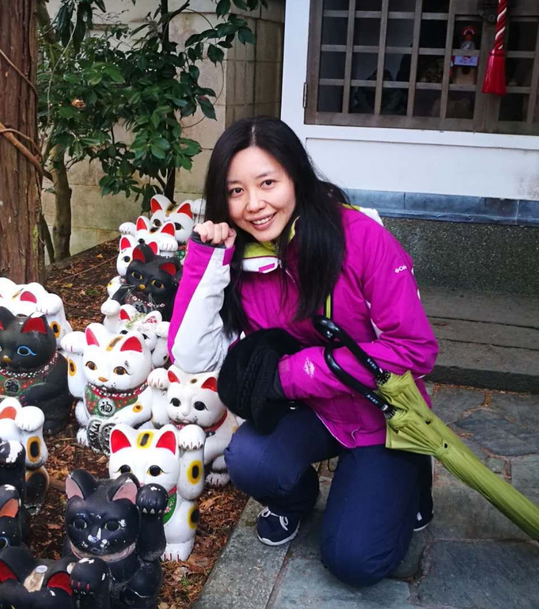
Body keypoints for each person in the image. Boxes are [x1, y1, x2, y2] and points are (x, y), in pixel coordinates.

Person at [167, 117, 438, 587]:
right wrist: (206, 261)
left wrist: (293, 373)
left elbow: (414, 350)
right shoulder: (241, 258)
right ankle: (296, 501)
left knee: (354, 562)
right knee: (249, 458)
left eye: (267, 182)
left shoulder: (360, 238)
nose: (254, 205)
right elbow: (191, 354)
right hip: (312, 412)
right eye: (236, 191)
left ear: (295, 175)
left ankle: (410, 478)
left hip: (382, 415)